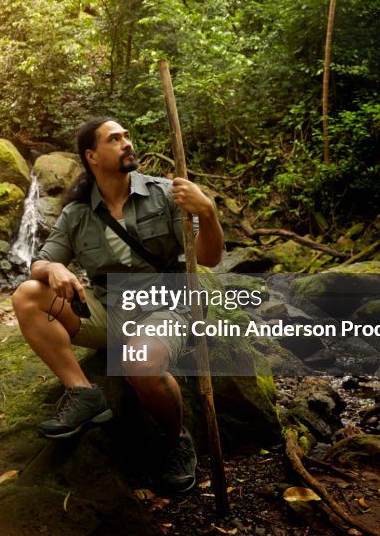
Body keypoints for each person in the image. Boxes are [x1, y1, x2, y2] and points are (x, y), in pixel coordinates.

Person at [11, 117, 223, 494]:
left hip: (164, 305)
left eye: (127, 136)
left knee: (139, 363)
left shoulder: (165, 194)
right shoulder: (77, 213)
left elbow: (208, 258)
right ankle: (83, 393)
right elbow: (39, 263)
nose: (127, 143)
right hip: (109, 310)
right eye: (115, 139)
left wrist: (207, 212)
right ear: (92, 156)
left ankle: (177, 439)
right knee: (27, 293)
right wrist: (55, 267)